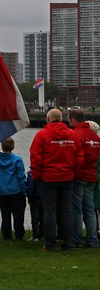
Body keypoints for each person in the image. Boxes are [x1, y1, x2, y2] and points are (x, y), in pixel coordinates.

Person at [30, 108, 82, 251]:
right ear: (61, 119)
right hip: (67, 178)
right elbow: (79, 157)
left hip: (48, 179)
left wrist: (37, 176)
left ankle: (50, 244)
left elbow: (35, 158)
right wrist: (74, 173)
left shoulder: (42, 135)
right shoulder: (72, 135)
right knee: (66, 211)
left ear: (48, 119)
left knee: (50, 212)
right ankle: (67, 243)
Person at [68, 108, 100, 248]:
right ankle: (93, 239)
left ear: (73, 120)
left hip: (79, 175)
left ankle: (77, 239)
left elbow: (73, 155)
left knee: (77, 209)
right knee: (90, 209)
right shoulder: (94, 136)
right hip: (92, 176)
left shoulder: (75, 134)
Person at [0, 138, 27, 240]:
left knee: (5, 215)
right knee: (18, 215)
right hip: (16, 191)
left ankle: (6, 235)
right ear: (13, 147)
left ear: (2, 147)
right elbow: (21, 176)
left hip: (2, 192)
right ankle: (19, 234)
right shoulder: (17, 160)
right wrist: (24, 189)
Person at [26, 170, 43, 242]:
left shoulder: (31, 173)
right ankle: (43, 234)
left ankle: (35, 235)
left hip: (35, 198)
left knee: (35, 218)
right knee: (44, 217)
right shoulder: (46, 172)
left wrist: (29, 197)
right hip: (45, 198)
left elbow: (30, 187)